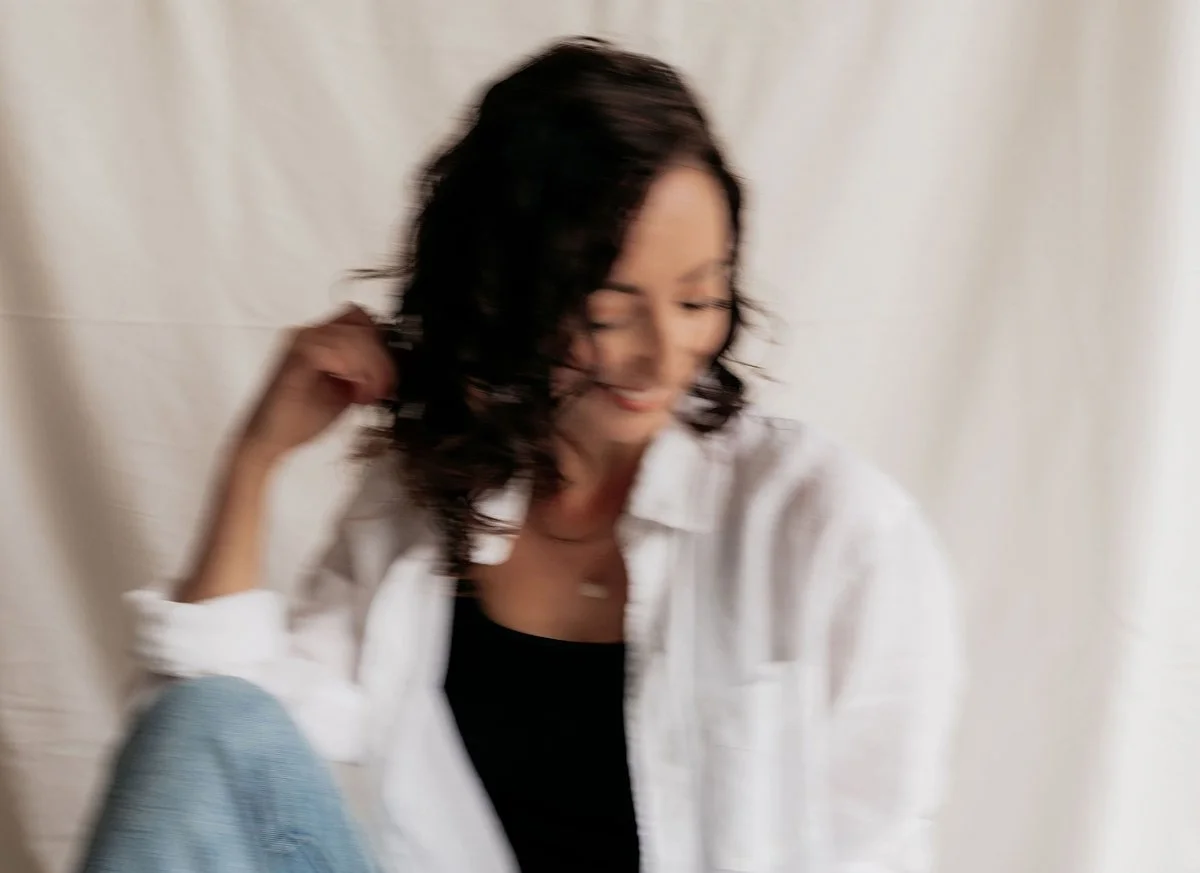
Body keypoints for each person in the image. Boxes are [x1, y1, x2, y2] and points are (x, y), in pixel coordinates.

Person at [78, 37, 962, 873]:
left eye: (701, 298)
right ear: (506, 292)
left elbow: (875, 846)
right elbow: (205, 763)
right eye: (612, 310)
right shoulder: (422, 502)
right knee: (204, 718)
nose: (664, 354)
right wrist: (255, 462)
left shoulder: (835, 528)